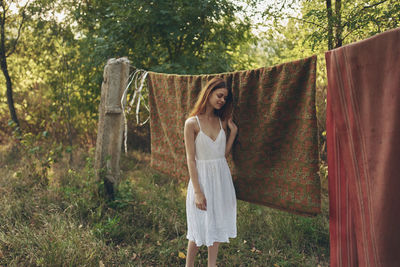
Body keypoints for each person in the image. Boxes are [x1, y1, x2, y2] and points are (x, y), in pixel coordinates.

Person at [183, 77, 238, 267]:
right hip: (202, 179)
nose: (222, 100)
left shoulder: (222, 122)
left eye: (225, 98)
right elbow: (190, 158)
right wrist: (198, 192)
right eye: (219, 95)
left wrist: (233, 133)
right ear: (209, 93)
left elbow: (221, 154)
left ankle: (211, 265)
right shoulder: (192, 123)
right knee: (198, 227)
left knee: (216, 224)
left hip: (222, 180)